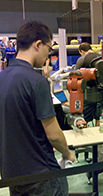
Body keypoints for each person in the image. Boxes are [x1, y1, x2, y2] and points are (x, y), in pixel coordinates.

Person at [0, 21, 75, 195]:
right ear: (38, 44)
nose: (48, 57)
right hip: (42, 176)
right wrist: (67, 154)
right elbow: (54, 135)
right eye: (49, 50)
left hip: (13, 175)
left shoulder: (2, 78)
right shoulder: (36, 82)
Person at [76, 42, 102, 126]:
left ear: (82, 51)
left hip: (87, 92)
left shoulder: (82, 59)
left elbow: (76, 75)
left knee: (85, 118)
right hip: (101, 91)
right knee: (99, 118)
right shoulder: (100, 57)